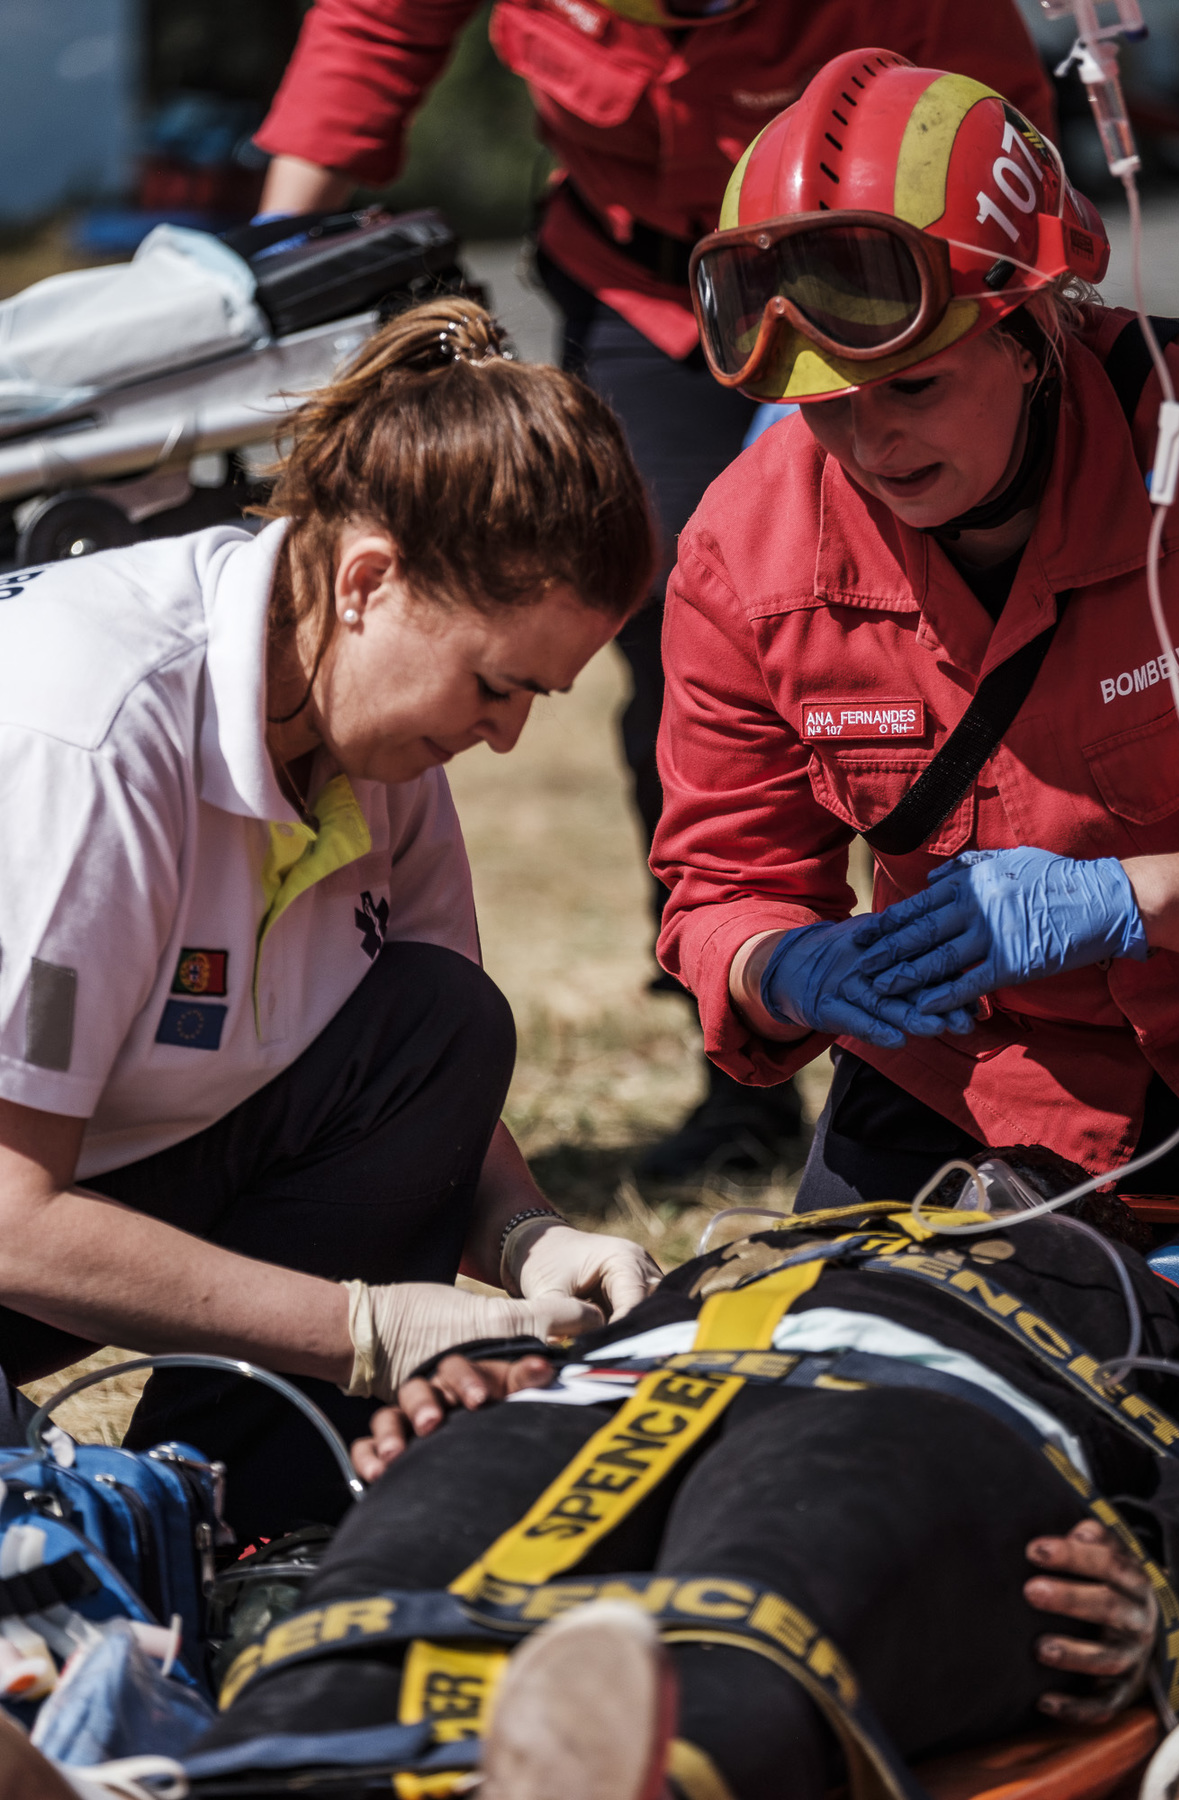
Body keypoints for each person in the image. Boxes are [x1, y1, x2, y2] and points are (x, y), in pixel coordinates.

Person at [250, 0, 1056, 1181]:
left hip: (901, 277)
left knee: (940, 573)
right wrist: (278, 246)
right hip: (646, 281)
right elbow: (372, 33)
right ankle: (746, 1071)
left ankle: (1034, 1017)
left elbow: (997, 144)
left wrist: (902, 365)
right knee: (695, 613)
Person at [0, 296, 660, 1543]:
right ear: (368, 579)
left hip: (84, 1185)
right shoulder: (89, 740)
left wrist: (526, 1238)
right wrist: (361, 1332)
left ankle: (244, 1534)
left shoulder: (368, 738)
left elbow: (423, 1081)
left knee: (441, 1025)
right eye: (497, 684)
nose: (508, 735)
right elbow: (6, 1217)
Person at [145, 1165, 1179, 1800]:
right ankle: (242, 1766)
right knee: (382, 1606)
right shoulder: (760, 1243)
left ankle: (643, 1773)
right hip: (617, 1387)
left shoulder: (1153, 1303)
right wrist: (491, 1382)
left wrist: (1167, 1564)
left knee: (765, 1614)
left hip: (931, 1401)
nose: (985, 1176)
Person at [652, 50, 1179, 1214]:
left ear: (1034, 327)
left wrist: (1139, 898)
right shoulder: (743, 557)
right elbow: (723, 883)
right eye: (827, 404)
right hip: (969, 1090)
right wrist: (786, 968)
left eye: (912, 388)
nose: (870, 448)